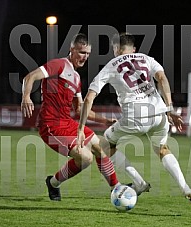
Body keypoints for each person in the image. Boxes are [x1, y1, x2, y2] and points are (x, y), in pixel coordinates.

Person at [77, 32, 191, 206]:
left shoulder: (110, 66)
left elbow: (89, 98)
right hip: (159, 114)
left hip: (135, 117)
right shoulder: (146, 58)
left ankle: (139, 183)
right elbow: (162, 78)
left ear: (116, 49)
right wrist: (170, 109)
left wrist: (80, 128)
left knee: (104, 144)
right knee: (162, 149)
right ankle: (186, 188)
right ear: (133, 49)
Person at [21, 33, 120, 201]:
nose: (85, 57)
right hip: (50, 126)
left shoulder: (76, 78)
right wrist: (26, 97)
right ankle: (53, 183)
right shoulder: (59, 65)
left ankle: (117, 189)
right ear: (72, 49)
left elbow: (81, 109)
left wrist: (105, 120)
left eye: (88, 54)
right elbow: (30, 77)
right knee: (85, 158)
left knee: (99, 147)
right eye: (82, 52)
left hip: (67, 122)